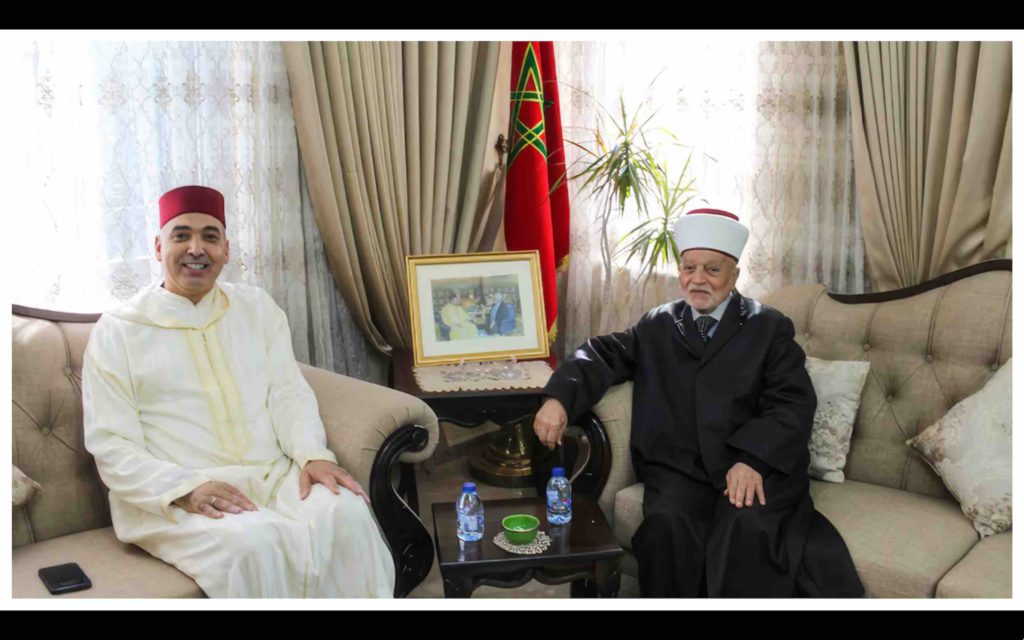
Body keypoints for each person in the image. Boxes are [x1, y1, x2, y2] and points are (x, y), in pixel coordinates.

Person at [82, 185, 396, 598]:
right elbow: (111, 443)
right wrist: (184, 489)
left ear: (226, 251)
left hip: (271, 473)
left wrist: (313, 454)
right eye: (182, 235)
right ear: (159, 248)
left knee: (349, 515)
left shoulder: (256, 308)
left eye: (210, 237)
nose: (196, 248)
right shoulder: (119, 330)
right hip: (180, 493)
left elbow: (287, 391)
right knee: (255, 545)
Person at [534, 208, 863, 598]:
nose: (697, 280)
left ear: (735, 274)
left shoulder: (769, 328)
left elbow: (791, 402)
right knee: (666, 527)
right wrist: (559, 398)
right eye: (689, 268)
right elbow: (603, 354)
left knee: (748, 530)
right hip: (680, 468)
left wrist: (753, 459)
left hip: (751, 466)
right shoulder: (658, 323)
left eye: (712, 270)